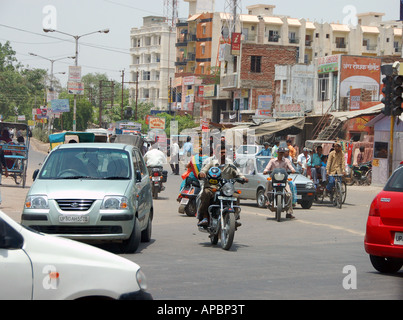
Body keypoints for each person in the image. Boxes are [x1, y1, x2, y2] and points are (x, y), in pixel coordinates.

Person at [197, 144, 248, 227]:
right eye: (221, 152)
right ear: (217, 153)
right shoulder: (212, 163)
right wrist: (202, 174)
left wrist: (243, 178)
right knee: (206, 193)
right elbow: (203, 170)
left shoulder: (230, 164)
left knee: (236, 196)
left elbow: (238, 172)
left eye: (224, 152)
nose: (223, 154)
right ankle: (204, 217)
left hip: (226, 189)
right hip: (212, 188)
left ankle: (234, 217)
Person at [263, 147, 296, 219]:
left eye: (282, 153)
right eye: (280, 153)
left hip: (283, 180)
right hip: (274, 179)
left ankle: (289, 213)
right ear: (277, 153)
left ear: (284, 154)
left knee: (289, 193)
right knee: (268, 181)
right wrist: (265, 171)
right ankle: (267, 199)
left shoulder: (286, 161)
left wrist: (293, 170)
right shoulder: (272, 161)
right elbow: (267, 168)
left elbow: (291, 167)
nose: (281, 154)